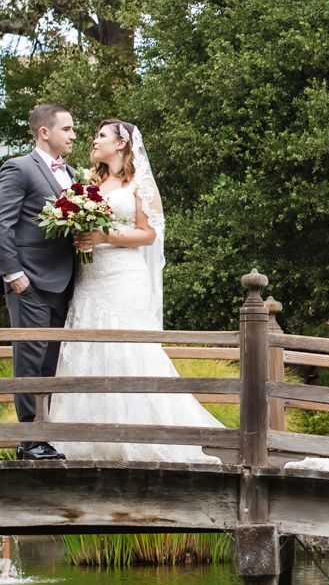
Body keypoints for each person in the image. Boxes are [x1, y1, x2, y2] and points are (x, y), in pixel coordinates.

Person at [50, 119, 221, 462]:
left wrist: (103, 237)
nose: (94, 141)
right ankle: (83, 439)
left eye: (101, 136)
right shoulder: (90, 183)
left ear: (121, 144)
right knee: (86, 347)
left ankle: (138, 435)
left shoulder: (140, 183)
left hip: (124, 279)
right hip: (91, 279)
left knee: (126, 349)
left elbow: (148, 234)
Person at [0, 102, 82, 461]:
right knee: (29, 360)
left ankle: (43, 434)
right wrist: (14, 276)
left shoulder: (71, 175)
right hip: (29, 284)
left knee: (50, 363)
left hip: (64, 284)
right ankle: (30, 440)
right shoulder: (19, 168)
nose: (74, 135)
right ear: (45, 132)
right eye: (67, 129)